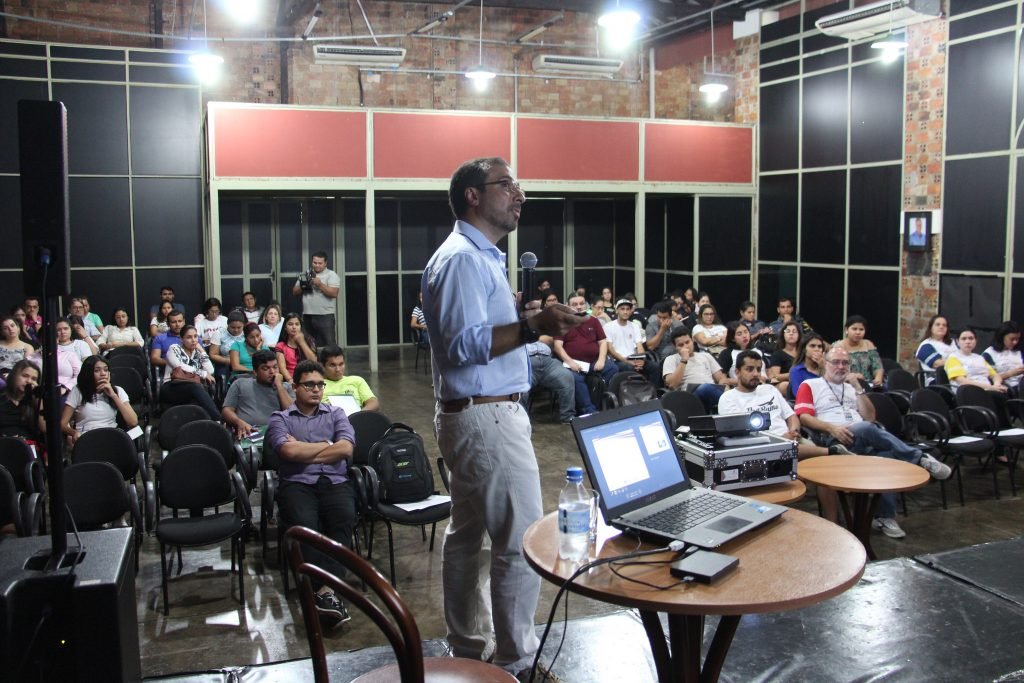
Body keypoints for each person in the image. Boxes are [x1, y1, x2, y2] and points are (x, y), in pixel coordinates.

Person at [421, 157, 582, 678]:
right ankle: (516, 661)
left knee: (467, 536)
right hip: (486, 418)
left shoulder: (481, 258)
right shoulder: (464, 260)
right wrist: (534, 328)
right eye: (507, 185)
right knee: (519, 539)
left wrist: (526, 319)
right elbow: (465, 345)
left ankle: (470, 648)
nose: (520, 194)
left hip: (475, 416)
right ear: (473, 195)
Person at [795, 347, 951, 538]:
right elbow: (803, 418)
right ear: (825, 364)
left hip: (862, 437)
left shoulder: (852, 388)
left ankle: (884, 517)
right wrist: (831, 428)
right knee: (867, 429)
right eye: (835, 362)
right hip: (835, 440)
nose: (841, 367)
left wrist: (859, 389)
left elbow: (869, 416)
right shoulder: (810, 384)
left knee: (886, 458)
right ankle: (919, 458)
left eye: (845, 363)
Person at [266, 360, 356, 627]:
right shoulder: (281, 419)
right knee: (306, 526)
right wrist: (326, 446)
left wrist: (306, 450)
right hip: (297, 484)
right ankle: (326, 592)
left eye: (320, 384)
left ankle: (324, 592)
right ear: (295, 387)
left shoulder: (336, 413)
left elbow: (346, 449)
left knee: (343, 519)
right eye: (309, 385)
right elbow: (287, 452)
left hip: (335, 481)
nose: (316, 390)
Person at [718, 351, 833, 463]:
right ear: (737, 372)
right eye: (749, 369)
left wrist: (794, 431)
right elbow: (740, 436)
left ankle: (832, 454)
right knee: (819, 456)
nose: (755, 374)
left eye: (758, 369)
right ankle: (833, 452)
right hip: (759, 448)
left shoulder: (770, 389)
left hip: (791, 440)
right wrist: (781, 439)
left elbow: (791, 416)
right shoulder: (728, 398)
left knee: (821, 464)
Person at [553, 294, 619, 415]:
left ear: (586, 305)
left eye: (581, 303)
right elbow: (558, 346)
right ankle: (589, 411)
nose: (579, 307)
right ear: (567, 306)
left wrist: (601, 360)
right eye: (574, 304)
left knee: (613, 368)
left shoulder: (593, 320)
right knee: (575, 378)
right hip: (573, 363)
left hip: (594, 361)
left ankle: (604, 405)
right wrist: (570, 362)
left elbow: (603, 342)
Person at [61, 355, 137, 445]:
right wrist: (73, 433)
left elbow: (133, 422)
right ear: (88, 373)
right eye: (97, 370)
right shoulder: (78, 391)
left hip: (112, 435)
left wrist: (113, 395)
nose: (103, 373)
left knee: (137, 432)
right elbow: (63, 424)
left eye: (106, 369)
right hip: (87, 437)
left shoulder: (118, 390)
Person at [221, 350, 294, 441]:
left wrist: (279, 386)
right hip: (249, 433)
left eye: (275, 367)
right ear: (255, 372)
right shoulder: (240, 384)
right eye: (265, 368)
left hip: (279, 434)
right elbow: (226, 410)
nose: (272, 372)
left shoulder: (285, 387)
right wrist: (238, 422)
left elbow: (293, 413)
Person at [159, 324, 219, 420]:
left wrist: (202, 350)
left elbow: (210, 370)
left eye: (195, 336)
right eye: (189, 337)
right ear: (181, 339)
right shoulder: (174, 348)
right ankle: (218, 419)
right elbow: (180, 366)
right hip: (171, 386)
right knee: (195, 387)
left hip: (192, 388)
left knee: (197, 394)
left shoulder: (198, 353)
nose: (193, 340)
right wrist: (202, 374)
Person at [662, 327, 728, 412]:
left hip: (710, 391)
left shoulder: (705, 356)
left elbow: (721, 378)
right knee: (705, 388)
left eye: (687, 342)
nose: (686, 346)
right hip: (689, 396)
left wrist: (727, 390)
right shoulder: (671, 359)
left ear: (692, 340)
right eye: (681, 345)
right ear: (675, 347)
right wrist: (684, 360)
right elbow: (672, 384)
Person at [292, 251, 340, 347]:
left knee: (330, 344)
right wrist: (304, 285)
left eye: (320, 263)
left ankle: (332, 361)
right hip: (307, 315)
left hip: (325, 315)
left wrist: (320, 284)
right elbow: (294, 292)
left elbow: (334, 293)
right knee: (307, 344)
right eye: (314, 263)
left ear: (325, 263)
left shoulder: (331, 275)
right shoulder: (306, 274)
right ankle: (311, 362)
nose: (317, 265)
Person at [524, 336, 576, 424]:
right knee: (519, 385)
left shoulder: (539, 327)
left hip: (548, 360)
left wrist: (541, 337)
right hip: (526, 360)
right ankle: (523, 420)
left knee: (566, 376)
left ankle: (567, 417)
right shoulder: (513, 327)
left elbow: (553, 339)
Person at [945, 327, 1007, 394]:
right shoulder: (953, 358)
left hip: (988, 391)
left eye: (971, 338)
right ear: (957, 342)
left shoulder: (979, 358)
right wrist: (990, 387)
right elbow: (962, 382)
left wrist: (997, 385)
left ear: (976, 341)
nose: (968, 341)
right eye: (964, 339)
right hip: (968, 392)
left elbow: (995, 375)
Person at [318, 345, 379, 411]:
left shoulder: (357, 380)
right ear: (322, 366)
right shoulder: (317, 385)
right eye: (332, 365)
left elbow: (373, 403)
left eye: (341, 364)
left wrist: (358, 415)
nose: (338, 369)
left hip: (356, 418)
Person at [831, 315, 884, 390]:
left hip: (869, 386)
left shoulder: (868, 344)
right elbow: (834, 370)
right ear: (846, 329)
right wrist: (853, 376)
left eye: (861, 329)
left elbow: (877, 366)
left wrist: (878, 378)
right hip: (846, 386)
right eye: (854, 329)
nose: (858, 332)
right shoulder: (838, 346)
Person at [644, 301, 687, 385]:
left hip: (679, 355)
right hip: (662, 358)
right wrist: (662, 330)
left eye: (664, 318)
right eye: (659, 317)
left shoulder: (678, 325)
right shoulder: (651, 326)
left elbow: (684, 342)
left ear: (671, 317)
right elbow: (650, 347)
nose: (661, 320)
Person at [0, 360, 43, 441]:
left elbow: (45, 428)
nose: (29, 381)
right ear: (14, 376)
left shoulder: (34, 402)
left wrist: (38, 397)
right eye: (25, 376)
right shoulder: (2, 398)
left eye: (34, 379)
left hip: (27, 448)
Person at [603, 299, 646, 374]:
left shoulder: (635, 326)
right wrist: (627, 361)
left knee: (654, 367)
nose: (625, 312)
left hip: (634, 358)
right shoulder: (608, 326)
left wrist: (641, 360)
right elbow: (610, 349)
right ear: (617, 311)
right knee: (630, 368)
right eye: (622, 309)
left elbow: (639, 346)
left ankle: (651, 386)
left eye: (628, 309)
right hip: (617, 360)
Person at [716, 321, 765, 386]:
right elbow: (723, 379)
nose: (744, 336)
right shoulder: (727, 354)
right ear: (732, 338)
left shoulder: (758, 350)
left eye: (746, 332)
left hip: (764, 386)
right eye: (739, 334)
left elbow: (769, 373)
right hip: (740, 388)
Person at [275, 312, 317, 383]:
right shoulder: (281, 345)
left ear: (301, 326)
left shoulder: (309, 341)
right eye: (290, 324)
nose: (294, 327)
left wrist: (302, 342)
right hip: (290, 380)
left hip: (308, 378)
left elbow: (314, 361)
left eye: (297, 324)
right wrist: (290, 380)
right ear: (285, 327)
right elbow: (282, 368)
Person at [983, 321, 1024, 392]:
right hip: (1005, 388)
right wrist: (1011, 374)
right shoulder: (989, 354)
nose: (1015, 342)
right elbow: (987, 379)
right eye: (1012, 339)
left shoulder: (1018, 352)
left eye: (1017, 339)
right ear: (1002, 337)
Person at [915, 315, 957, 384]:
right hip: (937, 381)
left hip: (957, 376)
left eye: (944, 325)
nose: (941, 327)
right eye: (938, 324)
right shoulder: (925, 345)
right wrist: (962, 362)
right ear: (931, 327)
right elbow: (938, 364)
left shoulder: (953, 342)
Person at [767, 320, 802, 398]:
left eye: (794, 331)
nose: (791, 333)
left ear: (799, 335)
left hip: (804, 381)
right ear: (783, 335)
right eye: (788, 331)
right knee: (785, 385)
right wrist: (792, 374)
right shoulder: (778, 354)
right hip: (786, 384)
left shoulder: (804, 353)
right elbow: (775, 376)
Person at [150, 310, 186, 382]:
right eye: (173, 322)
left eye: (180, 321)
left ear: (184, 322)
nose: (177, 324)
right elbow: (154, 359)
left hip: (192, 373)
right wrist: (174, 363)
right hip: (170, 374)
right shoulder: (160, 338)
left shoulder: (192, 337)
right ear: (168, 324)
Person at [209, 311, 247, 380]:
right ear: (227, 324)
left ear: (243, 325)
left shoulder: (247, 333)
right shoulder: (219, 333)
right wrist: (231, 361)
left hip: (245, 362)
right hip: (225, 363)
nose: (236, 330)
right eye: (233, 327)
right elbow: (213, 355)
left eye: (239, 327)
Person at [789, 333, 827, 397]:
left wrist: (823, 368)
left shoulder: (826, 368)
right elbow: (799, 395)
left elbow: (833, 389)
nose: (817, 349)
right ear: (804, 349)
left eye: (819, 346)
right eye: (812, 346)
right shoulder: (797, 371)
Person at [54, 319, 83, 394]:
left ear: (71, 329)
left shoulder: (80, 344)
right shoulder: (50, 349)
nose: (62, 332)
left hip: (72, 386)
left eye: (65, 328)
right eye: (59, 330)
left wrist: (66, 387)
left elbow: (85, 366)